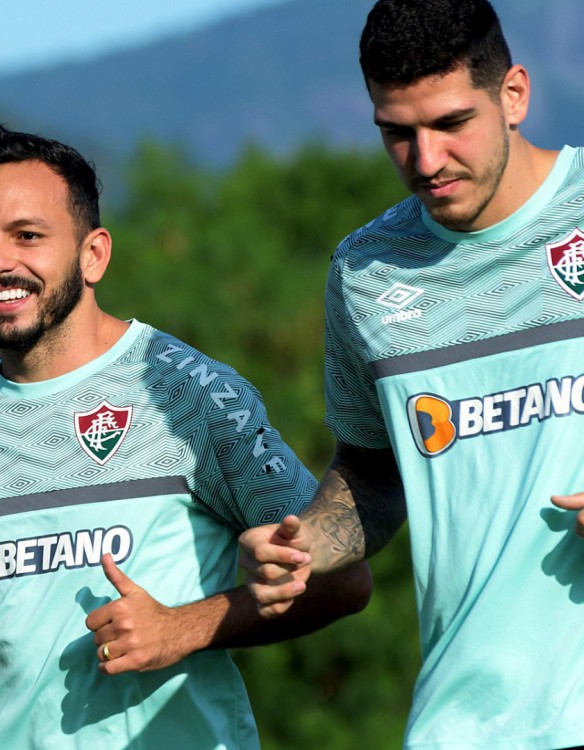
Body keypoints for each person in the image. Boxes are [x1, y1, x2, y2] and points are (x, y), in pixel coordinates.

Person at [0, 124, 372, 748]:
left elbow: (342, 580)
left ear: (93, 254)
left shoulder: (188, 392)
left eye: (27, 236)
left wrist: (183, 628)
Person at [238, 0, 584, 747]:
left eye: (451, 123)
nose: (425, 162)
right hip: (463, 722)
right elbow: (374, 472)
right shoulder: (364, 272)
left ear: (514, 95)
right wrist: (299, 547)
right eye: (397, 132)